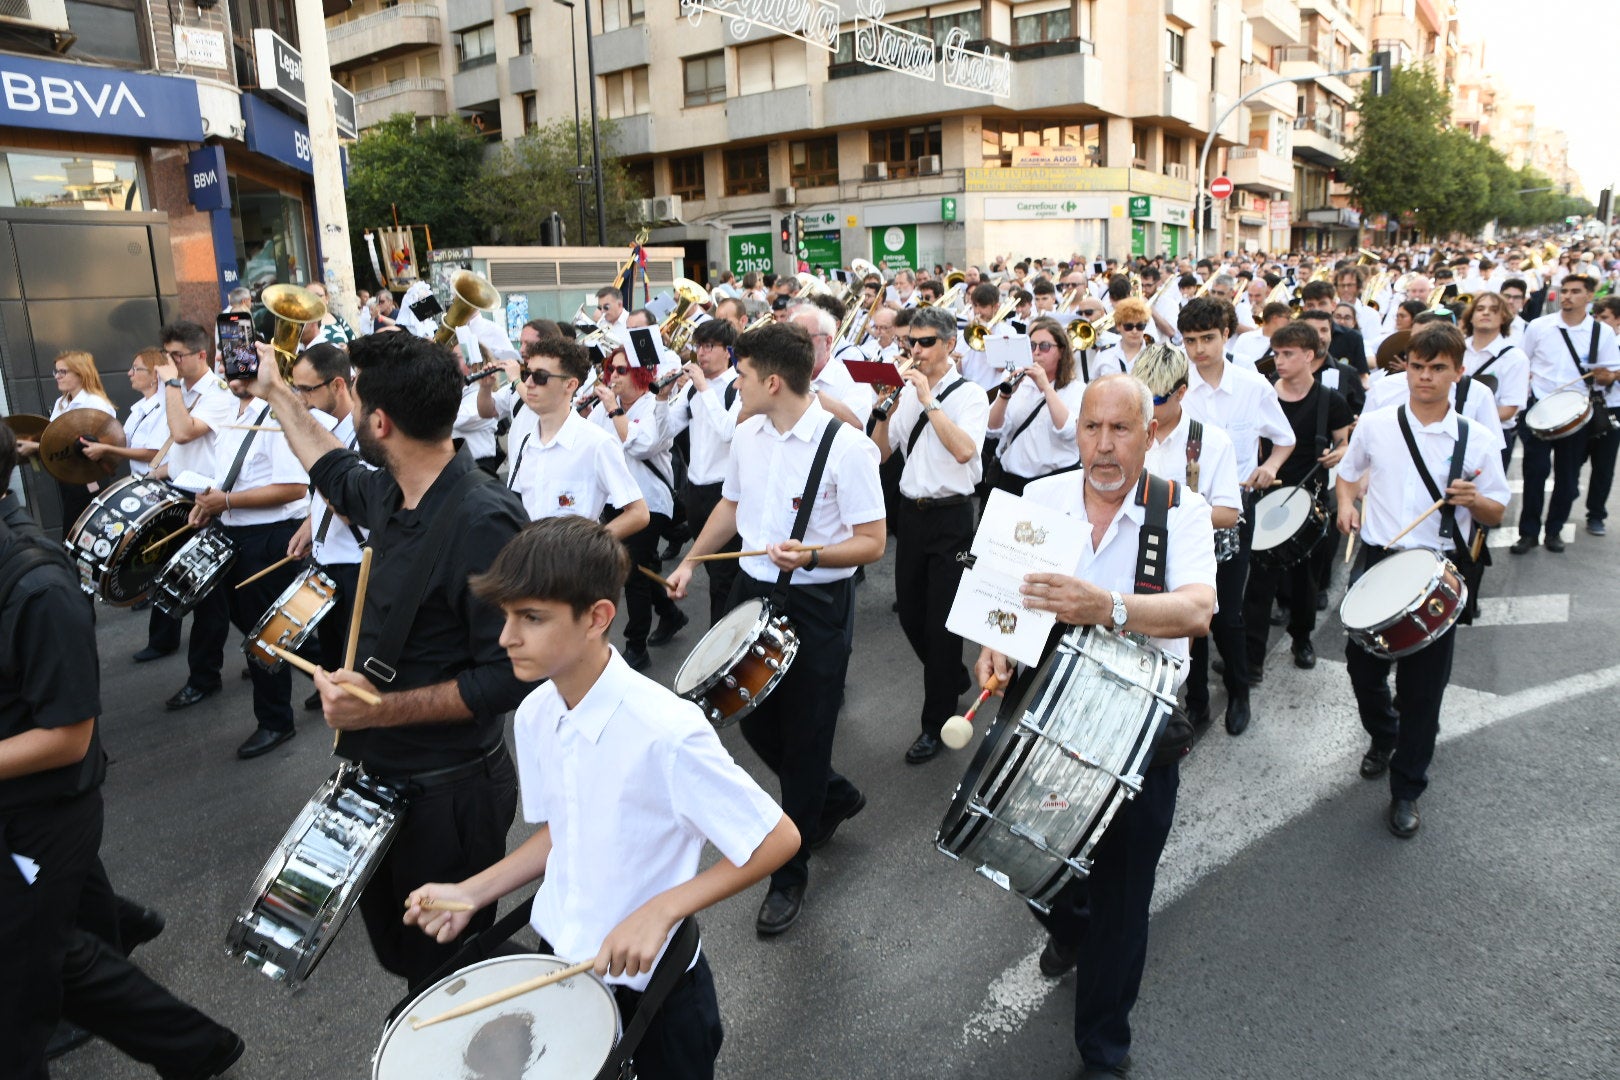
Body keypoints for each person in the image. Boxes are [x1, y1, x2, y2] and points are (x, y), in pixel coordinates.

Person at [403, 516, 797, 1080]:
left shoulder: (666, 730)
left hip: (655, 990)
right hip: (561, 967)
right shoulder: (537, 712)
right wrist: (472, 890)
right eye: (506, 616)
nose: (505, 637)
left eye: (531, 618)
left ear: (598, 618)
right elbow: (562, 830)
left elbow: (777, 838)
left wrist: (662, 909)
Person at [242, 329, 532, 987]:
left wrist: (378, 709)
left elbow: (511, 673)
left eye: (353, 404)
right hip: (381, 776)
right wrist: (277, 394)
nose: (343, 417)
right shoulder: (391, 492)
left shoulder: (483, 518)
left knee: (446, 969)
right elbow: (330, 467)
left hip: (449, 791)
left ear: (378, 421)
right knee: (403, 957)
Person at [975, 374, 1216, 1079]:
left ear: (1148, 434)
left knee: (1121, 898)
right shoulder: (1041, 499)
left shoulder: (1181, 510)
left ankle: (1103, 1048)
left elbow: (1197, 612)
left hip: (1142, 733)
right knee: (1016, 857)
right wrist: (995, 647)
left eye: (1120, 430)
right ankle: (1069, 927)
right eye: (1091, 429)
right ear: (1074, 430)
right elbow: (1002, 605)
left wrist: (1104, 605)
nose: (1103, 446)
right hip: (1047, 721)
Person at [0, 423, 245, 1080]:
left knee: (21, 987)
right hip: (22, 808)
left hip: (43, 806)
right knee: (49, 956)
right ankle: (195, 1046)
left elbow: (67, 737)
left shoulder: (36, 589)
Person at [664, 321, 885, 935]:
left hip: (817, 603)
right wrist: (688, 561)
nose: (733, 382)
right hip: (752, 591)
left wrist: (812, 555)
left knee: (807, 736)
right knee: (748, 720)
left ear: (772, 380)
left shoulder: (846, 447)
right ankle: (830, 796)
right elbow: (731, 506)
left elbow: (872, 542)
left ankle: (790, 871)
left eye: (740, 373)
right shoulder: (748, 434)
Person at [1335, 323, 1509, 838]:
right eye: (1417, 366)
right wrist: (1347, 503)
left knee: (1423, 689)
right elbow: (1349, 472)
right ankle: (1384, 734)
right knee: (1361, 669)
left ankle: (1407, 788)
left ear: (1458, 372)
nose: (1425, 377)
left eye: (1437, 368)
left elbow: (1497, 510)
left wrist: (1473, 501)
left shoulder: (1475, 438)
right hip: (1379, 557)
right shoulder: (1378, 423)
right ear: (1405, 367)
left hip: (1438, 570)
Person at [171, 356, 310, 757]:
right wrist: (210, 503)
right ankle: (325, 665)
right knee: (259, 629)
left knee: (264, 637)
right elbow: (230, 476)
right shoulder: (233, 411)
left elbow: (293, 488)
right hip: (234, 532)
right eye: (225, 366)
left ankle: (275, 722)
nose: (232, 375)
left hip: (268, 539)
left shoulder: (276, 415)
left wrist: (226, 500)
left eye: (241, 368)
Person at [869, 305, 988, 765]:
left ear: (949, 345)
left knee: (941, 625)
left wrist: (927, 399)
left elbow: (963, 452)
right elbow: (881, 454)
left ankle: (935, 724)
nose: (914, 351)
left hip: (952, 516)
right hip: (911, 515)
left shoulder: (970, 394)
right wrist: (883, 407)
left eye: (924, 343)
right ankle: (951, 677)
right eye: (910, 343)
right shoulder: (905, 391)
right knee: (911, 614)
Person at [1179, 297, 1293, 736]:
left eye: (1208, 338)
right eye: (1191, 341)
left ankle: (1239, 689)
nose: (1199, 349)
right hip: (1186, 512)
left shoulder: (1252, 386)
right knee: (1191, 611)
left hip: (1233, 513)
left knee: (1227, 613)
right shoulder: (1178, 384)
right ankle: (1196, 701)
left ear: (1227, 334)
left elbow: (1284, 439)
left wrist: (1271, 467)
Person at [1239, 322, 1352, 675]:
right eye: (1276, 353)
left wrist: (1340, 452)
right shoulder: (1263, 394)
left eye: (1288, 354)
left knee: (1306, 583)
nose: (1280, 361)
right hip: (1265, 497)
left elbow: (1344, 441)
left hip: (1309, 502)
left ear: (1309, 355)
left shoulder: (1329, 400)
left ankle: (1302, 639)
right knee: (1258, 587)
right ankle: (1252, 659)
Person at [590, 340, 685, 669]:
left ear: (640, 373)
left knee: (630, 571)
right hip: (617, 499)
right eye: (610, 369)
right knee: (639, 566)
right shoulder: (608, 407)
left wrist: (613, 410)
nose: (612, 376)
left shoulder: (654, 407)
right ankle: (670, 613)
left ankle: (636, 645)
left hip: (650, 501)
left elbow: (640, 444)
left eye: (621, 370)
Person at [285, 343, 368, 712]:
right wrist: (310, 524)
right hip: (326, 557)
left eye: (306, 389)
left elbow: (353, 509)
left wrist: (314, 460)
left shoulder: (363, 436)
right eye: (295, 389)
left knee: (359, 668)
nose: (299, 399)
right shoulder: (326, 429)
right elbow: (323, 499)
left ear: (337, 385)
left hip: (357, 564)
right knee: (325, 649)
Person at [1512, 273, 1620, 554]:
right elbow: (1524, 363)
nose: (1568, 296)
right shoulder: (1539, 326)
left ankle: (1554, 530)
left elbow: (1610, 374)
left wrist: (1605, 377)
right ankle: (1528, 532)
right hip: (1539, 409)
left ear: (1589, 297)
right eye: (1565, 290)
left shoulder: (1601, 332)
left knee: (1567, 476)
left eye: (1575, 291)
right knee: (1534, 473)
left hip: (1577, 414)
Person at [507, 336, 649, 538]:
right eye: (527, 373)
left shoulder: (597, 443)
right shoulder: (527, 442)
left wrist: (588, 545)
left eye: (540, 377)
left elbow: (639, 513)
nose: (528, 383)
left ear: (570, 384)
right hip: (531, 561)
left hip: (576, 566)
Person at [666, 319, 743, 623]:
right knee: (711, 570)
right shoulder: (692, 390)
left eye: (709, 346)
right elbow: (667, 431)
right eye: (698, 346)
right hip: (695, 491)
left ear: (728, 351)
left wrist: (703, 387)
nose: (701, 353)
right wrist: (662, 399)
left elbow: (728, 431)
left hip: (725, 492)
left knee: (723, 580)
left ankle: (720, 649)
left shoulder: (738, 387)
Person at [15, 351, 119, 530]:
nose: (57, 376)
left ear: (80, 373)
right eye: (56, 371)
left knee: (84, 531)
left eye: (63, 372)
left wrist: (36, 447)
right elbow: (57, 440)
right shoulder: (61, 403)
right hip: (68, 476)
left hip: (89, 478)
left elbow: (87, 447)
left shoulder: (96, 404)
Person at [986, 316, 1083, 495]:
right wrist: (1005, 396)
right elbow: (992, 429)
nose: (1037, 352)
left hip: (1053, 484)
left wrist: (1046, 387)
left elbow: (1069, 431)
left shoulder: (1076, 389)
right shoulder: (1019, 383)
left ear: (1061, 351)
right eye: (1032, 346)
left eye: (1044, 346)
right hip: (1010, 481)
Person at [1460, 292, 1530, 468]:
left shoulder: (1515, 357)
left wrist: (1464, 417)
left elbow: (1508, 409)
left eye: (1493, 310)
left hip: (1492, 435)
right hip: (1452, 432)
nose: (1486, 313)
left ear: (1503, 317)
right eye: (1480, 309)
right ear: (1471, 316)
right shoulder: (1455, 349)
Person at [1586, 296, 1620, 535]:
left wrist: (1614, 376)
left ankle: (1596, 514)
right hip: (1583, 405)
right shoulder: (1588, 338)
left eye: (1605, 317)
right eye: (1596, 317)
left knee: (1604, 466)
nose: (1598, 321)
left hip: (1612, 407)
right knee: (1570, 462)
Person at [1092, 297, 1153, 375]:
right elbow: (1093, 384)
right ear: (1118, 326)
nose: (1134, 331)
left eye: (1140, 326)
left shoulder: (1154, 355)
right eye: (1128, 326)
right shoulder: (1104, 354)